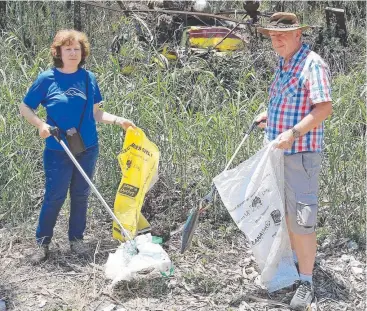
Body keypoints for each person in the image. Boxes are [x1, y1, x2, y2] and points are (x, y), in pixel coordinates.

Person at [19, 29, 136, 264]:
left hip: (87, 147)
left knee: (81, 194)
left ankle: (77, 241)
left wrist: (119, 120)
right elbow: (25, 107)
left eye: (77, 49)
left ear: (83, 53)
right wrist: (41, 124)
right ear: (58, 52)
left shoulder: (88, 78)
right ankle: (42, 244)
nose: (73, 53)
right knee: (55, 195)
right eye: (68, 48)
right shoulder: (46, 79)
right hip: (57, 148)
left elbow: (96, 113)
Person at [255, 13, 332, 310]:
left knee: (302, 219)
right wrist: (269, 117)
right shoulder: (284, 62)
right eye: (273, 34)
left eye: (283, 34)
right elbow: (287, 102)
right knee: (285, 213)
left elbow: (324, 108)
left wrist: (293, 132)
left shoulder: (312, 63)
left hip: (301, 155)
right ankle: (294, 265)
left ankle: (307, 282)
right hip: (278, 152)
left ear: (299, 33)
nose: (277, 39)